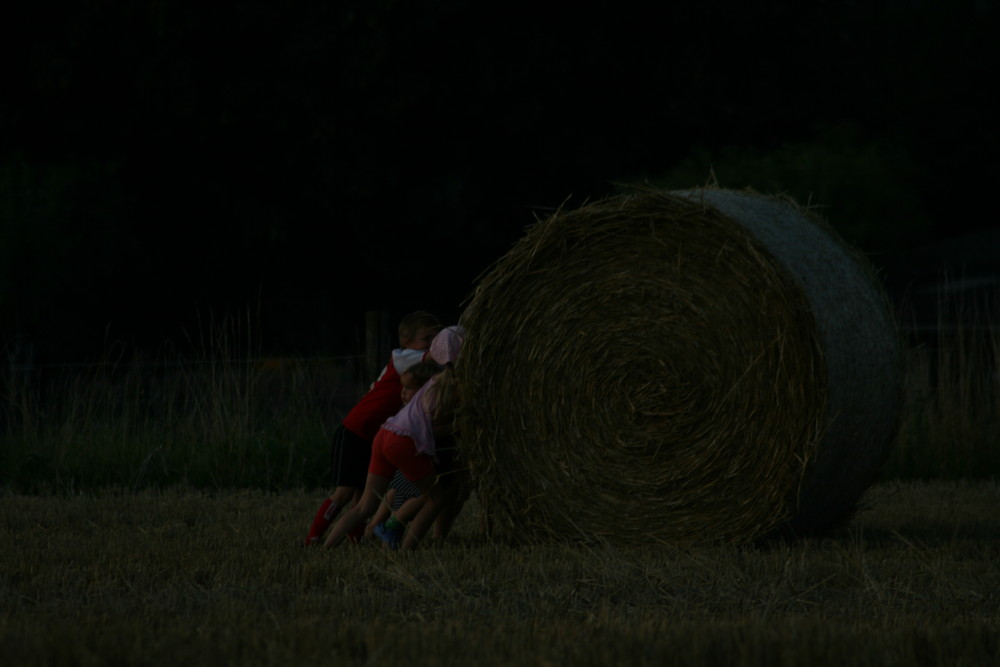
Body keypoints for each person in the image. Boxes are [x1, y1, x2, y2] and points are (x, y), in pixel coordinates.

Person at [303, 311, 441, 546]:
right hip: (355, 431)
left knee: (363, 497)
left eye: (435, 338)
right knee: (344, 492)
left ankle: (354, 539)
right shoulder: (403, 357)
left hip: (374, 435)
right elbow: (435, 357)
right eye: (427, 338)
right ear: (407, 341)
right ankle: (314, 537)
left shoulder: (416, 363)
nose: (431, 344)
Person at [324, 325, 465, 551]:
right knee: (435, 498)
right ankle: (407, 550)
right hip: (402, 442)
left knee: (364, 506)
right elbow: (432, 428)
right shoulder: (449, 386)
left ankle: (327, 548)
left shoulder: (432, 381)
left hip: (385, 433)